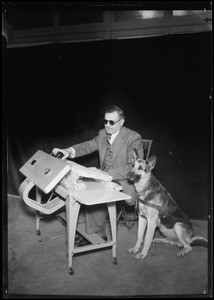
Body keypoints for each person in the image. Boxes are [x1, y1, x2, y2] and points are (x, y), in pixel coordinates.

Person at [52, 105, 144, 245]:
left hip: (125, 180)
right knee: (76, 181)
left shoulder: (133, 137)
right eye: (105, 121)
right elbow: (88, 146)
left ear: (122, 121)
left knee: (95, 189)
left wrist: (105, 174)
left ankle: (97, 233)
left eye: (111, 122)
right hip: (104, 176)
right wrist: (68, 151)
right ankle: (80, 221)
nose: (107, 125)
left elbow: (133, 167)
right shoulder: (103, 134)